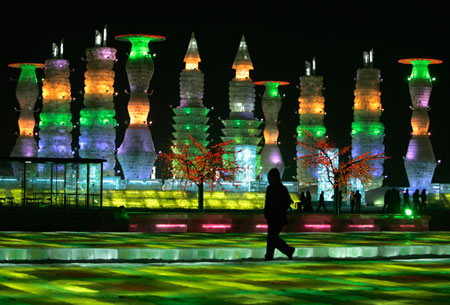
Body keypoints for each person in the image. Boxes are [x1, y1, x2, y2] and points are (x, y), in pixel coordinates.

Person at [264, 168, 295, 261]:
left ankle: (288, 250)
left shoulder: (273, 188)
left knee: (272, 238)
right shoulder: (282, 188)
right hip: (278, 217)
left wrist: (269, 212)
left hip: (275, 217)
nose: (269, 179)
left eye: (270, 177)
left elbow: (269, 203)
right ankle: (272, 255)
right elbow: (287, 201)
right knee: (272, 238)